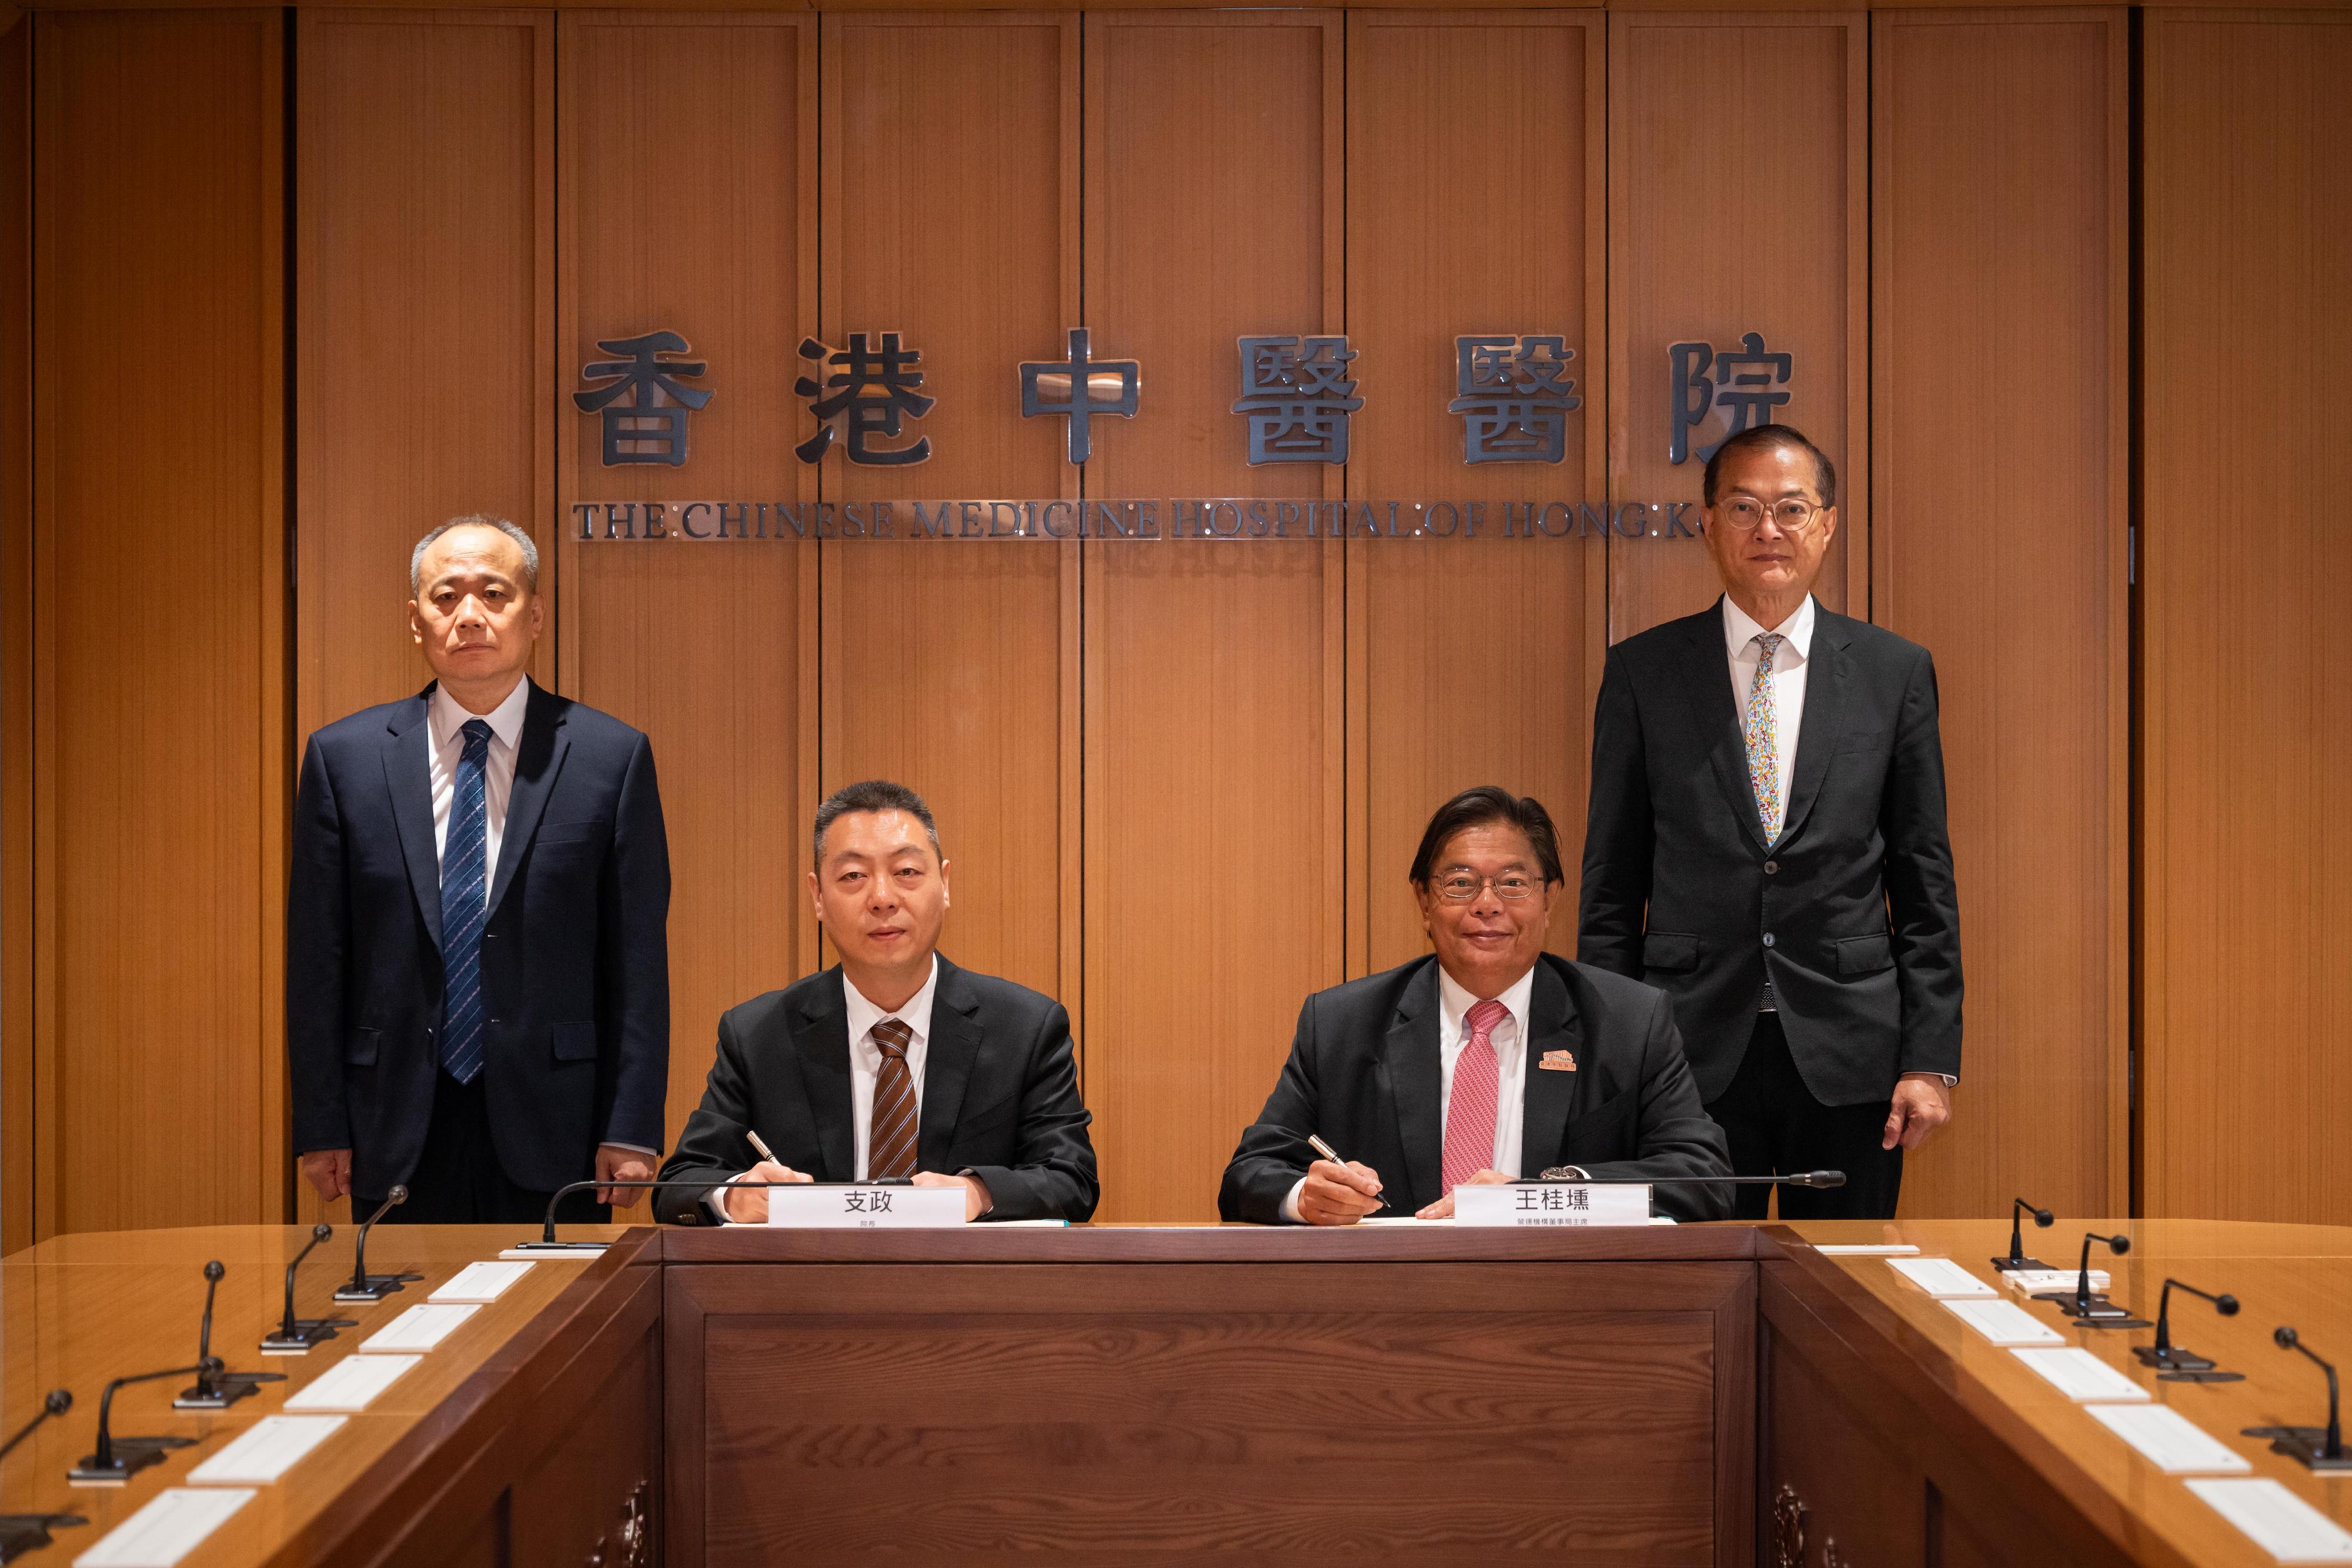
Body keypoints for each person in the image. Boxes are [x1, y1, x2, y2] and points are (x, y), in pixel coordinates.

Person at [1579, 424, 1962, 1221]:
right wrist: (1612, 1056)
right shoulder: (1644, 672)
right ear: (1707, 522)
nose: (1768, 529)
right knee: (1695, 1292)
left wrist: (1930, 1060)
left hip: (1851, 1049)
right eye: (1745, 507)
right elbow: (1613, 883)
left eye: (1791, 507)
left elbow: (1923, 878)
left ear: (1827, 524)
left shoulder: (1895, 671)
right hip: (1686, 1047)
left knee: (1846, 1294)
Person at [288, 516, 672, 1225]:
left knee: (556, 1328)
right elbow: (317, 961)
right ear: (415, 619)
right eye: (445, 597)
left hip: (560, 1122)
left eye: (494, 594)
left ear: (535, 615)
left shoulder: (608, 758)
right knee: (406, 1329)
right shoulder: (343, 759)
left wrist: (631, 1126)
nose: (469, 616)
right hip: (393, 1121)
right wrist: (321, 1124)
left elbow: (638, 963)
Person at [1218, 787, 1732, 1225]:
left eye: (1513, 882)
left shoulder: (1628, 1022)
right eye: (1460, 883)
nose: (1488, 903)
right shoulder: (1340, 1024)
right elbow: (1250, 1172)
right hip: (1392, 1306)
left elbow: (1704, 1178)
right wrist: (1305, 1198)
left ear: (1549, 898)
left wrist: (1543, 1194)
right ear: (1423, 900)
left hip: (1565, 1305)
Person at [656, 780, 1098, 1225]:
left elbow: (1072, 1178)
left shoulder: (1026, 1028)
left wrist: (979, 1192)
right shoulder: (758, 1035)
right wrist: (734, 1196)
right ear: (817, 896)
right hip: (811, 1288)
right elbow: (679, 1184)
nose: (883, 898)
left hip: (966, 1288)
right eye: (853, 876)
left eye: (906, 871)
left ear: (944, 884)